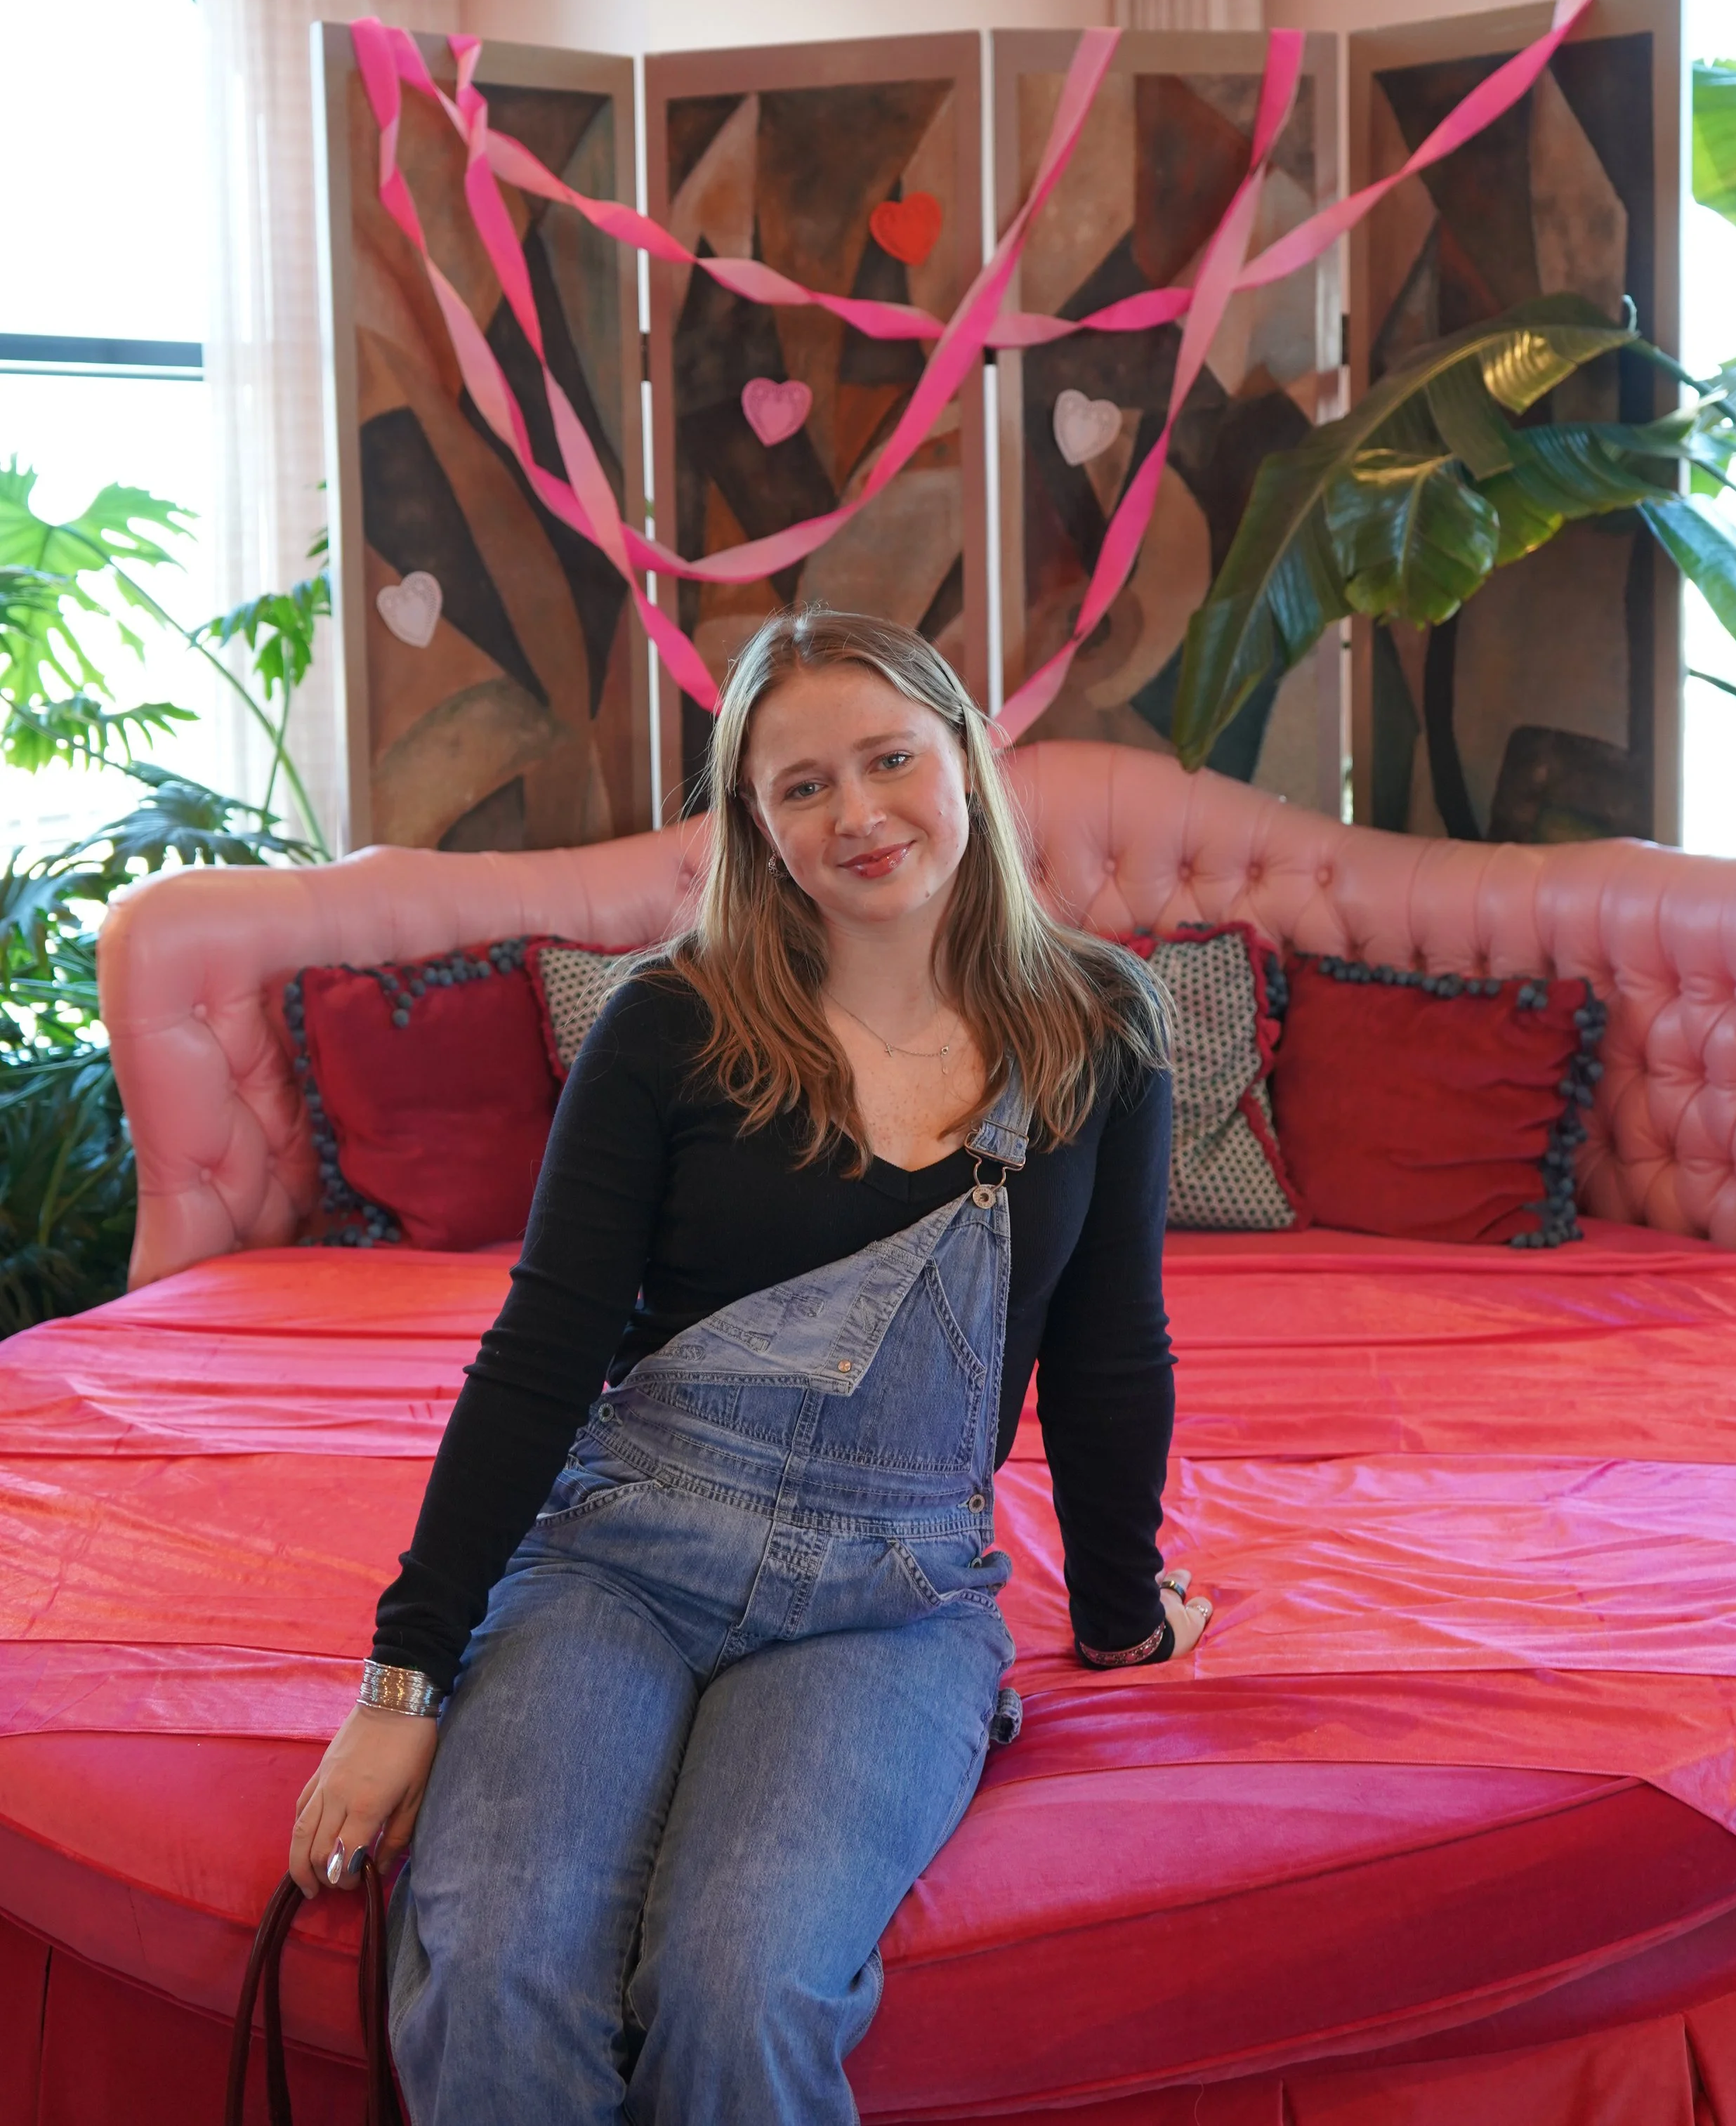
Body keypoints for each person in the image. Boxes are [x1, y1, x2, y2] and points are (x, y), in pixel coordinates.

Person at [288, 607, 1210, 2125]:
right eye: (800, 786)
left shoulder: (1100, 1025)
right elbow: (541, 1349)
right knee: (497, 1966)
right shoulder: (667, 1023)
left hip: (890, 1603)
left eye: (889, 759)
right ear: (753, 824)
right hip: (618, 1561)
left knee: (741, 1987)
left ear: (963, 759)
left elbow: (1109, 1351)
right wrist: (405, 1678)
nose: (857, 815)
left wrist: (1116, 1615)